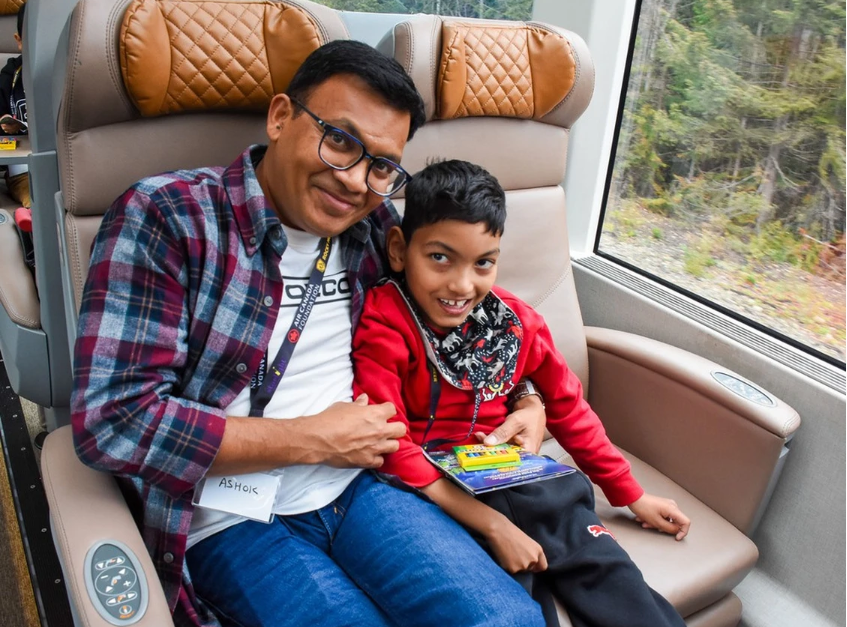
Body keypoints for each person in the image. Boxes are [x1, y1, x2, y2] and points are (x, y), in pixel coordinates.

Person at [71, 41, 549, 627]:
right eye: (340, 140)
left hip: (364, 487)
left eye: (381, 165)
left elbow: (465, 322)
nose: (354, 181)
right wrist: (312, 440)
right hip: (227, 519)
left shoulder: (376, 232)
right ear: (280, 118)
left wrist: (531, 397)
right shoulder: (167, 219)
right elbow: (113, 422)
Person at [351, 159, 692, 627]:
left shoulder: (517, 323)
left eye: (483, 263)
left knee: (618, 583)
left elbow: (570, 408)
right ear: (398, 249)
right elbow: (390, 440)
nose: (462, 284)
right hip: (443, 497)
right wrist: (492, 525)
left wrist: (630, 494)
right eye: (439, 258)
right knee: (514, 606)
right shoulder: (384, 320)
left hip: (523, 482)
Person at [0, 2, 30, 208]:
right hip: (24, 170)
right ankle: (33, 221)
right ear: (19, 41)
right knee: (34, 196)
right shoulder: (10, 76)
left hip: (68, 167)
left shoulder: (73, 73)